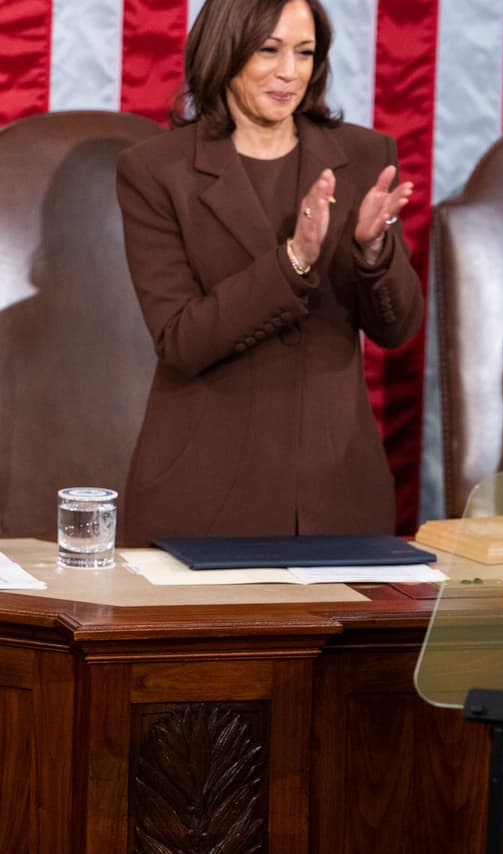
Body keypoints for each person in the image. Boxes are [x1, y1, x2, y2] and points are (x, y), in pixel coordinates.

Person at [115, 0, 422, 544]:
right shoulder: (156, 170)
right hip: (204, 498)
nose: (289, 72)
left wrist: (374, 251)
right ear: (225, 52)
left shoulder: (364, 155)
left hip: (337, 497)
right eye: (269, 50)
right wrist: (293, 260)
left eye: (304, 53)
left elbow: (397, 329)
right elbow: (181, 339)